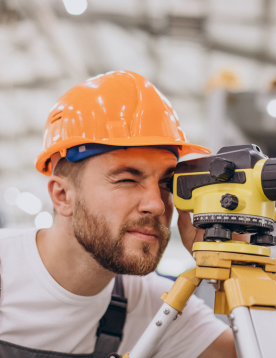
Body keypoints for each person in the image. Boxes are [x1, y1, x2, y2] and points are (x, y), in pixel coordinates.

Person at [0, 71, 238, 357]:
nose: (158, 204)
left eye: (166, 183)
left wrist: (233, 265)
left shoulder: (155, 305)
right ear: (62, 196)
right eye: (127, 179)